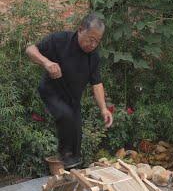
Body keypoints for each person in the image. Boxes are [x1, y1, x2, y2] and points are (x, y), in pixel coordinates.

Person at [26, 12, 113, 169]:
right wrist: (46, 62)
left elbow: (97, 83)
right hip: (51, 92)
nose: (93, 45)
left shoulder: (93, 56)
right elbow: (30, 50)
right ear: (80, 30)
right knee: (65, 115)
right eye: (90, 39)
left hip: (73, 99)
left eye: (97, 41)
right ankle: (63, 156)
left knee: (77, 135)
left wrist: (104, 109)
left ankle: (72, 167)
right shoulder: (60, 40)